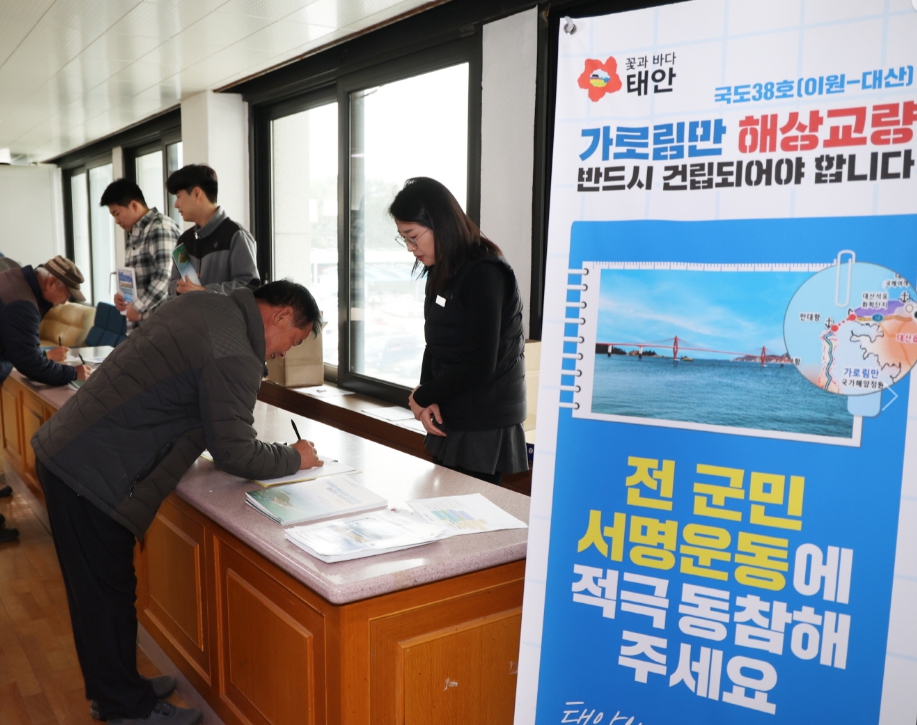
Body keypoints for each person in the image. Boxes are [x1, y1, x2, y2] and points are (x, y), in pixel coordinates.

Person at [32, 280, 323, 725]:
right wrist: (294, 457)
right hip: (92, 473)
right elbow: (234, 451)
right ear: (282, 316)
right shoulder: (237, 352)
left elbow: (175, 392)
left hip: (74, 454)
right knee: (105, 596)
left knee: (99, 595)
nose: (284, 354)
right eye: (293, 342)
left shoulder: (204, 305)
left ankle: (116, 691)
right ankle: (126, 709)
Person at [390, 177, 528, 485]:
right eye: (404, 239)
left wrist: (422, 396)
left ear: (440, 223)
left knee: (468, 519)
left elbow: (480, 364)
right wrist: (427, 398)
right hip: (454, 409)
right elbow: (435, 343)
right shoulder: (443, 269)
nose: (411, 249)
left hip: (484, 420)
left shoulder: (484, 272)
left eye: (413, 237)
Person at [165, 164, 259, 297]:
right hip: (190, 317)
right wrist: (179, 288)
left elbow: (250, 285)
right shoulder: (184, 240)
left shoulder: (235, 235)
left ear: (197, 193)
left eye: (179, 196)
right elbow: (172, 285)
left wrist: (204, 291)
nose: (176, 204)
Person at [100, 178, 181, 328]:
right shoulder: (135, 235)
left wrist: (138, 307)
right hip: (142, 329)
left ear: (134, 205)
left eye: (117, 214)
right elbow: (138, 279)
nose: (117, 221)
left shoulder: (160, 228)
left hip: (161, 328)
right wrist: (122, 297)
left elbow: (165, 275)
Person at [0, 256, 92, 386]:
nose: (64, 302)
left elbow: (15, 343)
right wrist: (73, 373)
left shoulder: (15, 277)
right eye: (66, 295)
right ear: (51, 283)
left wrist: (42, 355)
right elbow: (29, 363)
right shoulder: (22, 304)